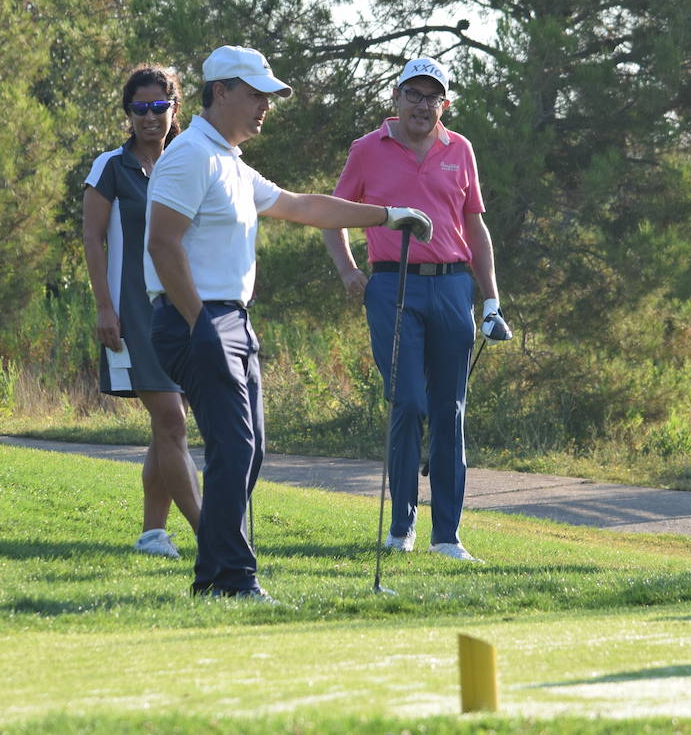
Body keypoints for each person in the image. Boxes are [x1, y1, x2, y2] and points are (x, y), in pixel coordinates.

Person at [148, 45, 433, 600]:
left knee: (250, 452)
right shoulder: (191, 156)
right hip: (197, 318)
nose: (265, 108)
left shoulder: (228, 160)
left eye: (268, 98)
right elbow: (162, 244)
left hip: (231, 319)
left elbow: (304, 207)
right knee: (233, 448)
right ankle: (231, 580)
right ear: (221, 91)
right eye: (255, 95)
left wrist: (386, 214)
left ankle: (214, 575)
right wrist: (199, 324)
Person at [322, 57, 510, 563]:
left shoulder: (460, 149)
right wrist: (346, 270)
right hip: (392, 286)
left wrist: (490, 298)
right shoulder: (368, 148)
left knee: (450, 411)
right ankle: (400, 526)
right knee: (407, 402)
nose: (422, 105)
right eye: (414, 94)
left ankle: (446, 536)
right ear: (396, 97)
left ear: (443, 104)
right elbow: (333, 214)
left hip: (452, 288)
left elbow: (475, 229)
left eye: (433, 97)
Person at [83, 64, 202, 559]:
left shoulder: (191, 160)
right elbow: (92, 238)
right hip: (134, 312)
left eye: (159, 106)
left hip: (189, 309)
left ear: (175, 108)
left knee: (166, 429)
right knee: (172, 422)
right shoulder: (110, 166)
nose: (150, 117)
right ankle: (211, 532)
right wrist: (105, 308)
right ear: (127, 113)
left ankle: (153, 533)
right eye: (140, 108)